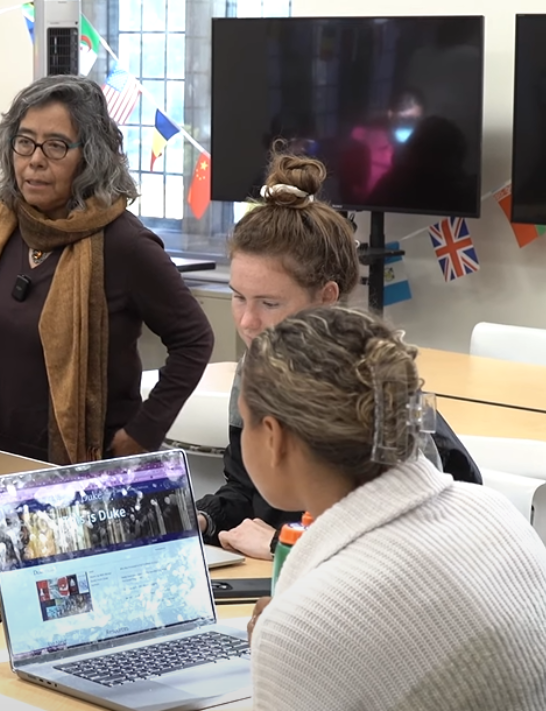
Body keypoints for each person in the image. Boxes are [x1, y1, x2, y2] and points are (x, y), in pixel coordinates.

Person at [238, 306, 546, 710]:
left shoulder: (304, 624)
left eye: (243, 422)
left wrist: (286, 644)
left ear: (273, 437)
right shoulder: (493, 512)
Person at [196, 152, 479, 559]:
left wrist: (281, 543)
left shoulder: (371, 383)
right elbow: (248, 489)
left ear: (326, 298)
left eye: (270, 303)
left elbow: (408, 539)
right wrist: (204, 518)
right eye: (238, 298)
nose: (248, 321)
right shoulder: (256, 367)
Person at [0, 75, 213, 465]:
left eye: (55, 146)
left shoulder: (124, 243)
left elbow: (195, 339)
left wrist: (143, 432)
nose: (35, 159)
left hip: (81, 466)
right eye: (24, 142)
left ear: (91, 156)